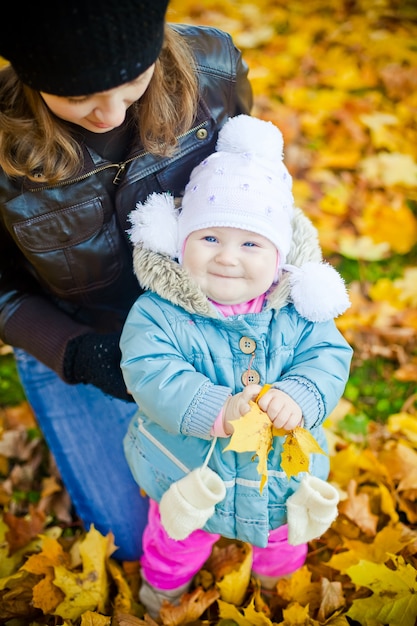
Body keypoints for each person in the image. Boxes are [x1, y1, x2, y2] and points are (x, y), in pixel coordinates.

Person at [0, 1, 253, 562]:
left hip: (200, 322)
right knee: (134, 535)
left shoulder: (213, 69)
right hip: (82, 334)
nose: (111, 114)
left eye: (132, 81)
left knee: (254, 501)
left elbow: (251, 183)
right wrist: (76, 354)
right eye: (78, 96)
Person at [120, 114, 354, 618]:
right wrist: (214, 407)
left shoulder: (297, 310)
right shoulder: (159, 312)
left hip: (279, 475)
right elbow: (150, 369)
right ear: (180, 242)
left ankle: (278, 588)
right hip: (189, 470)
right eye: (209, 238)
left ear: (279, 257)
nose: (227, 257)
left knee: (284, 536)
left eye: (250, 243)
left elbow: (328, 357)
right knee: (176, 538)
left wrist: (302, 395)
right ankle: (161, 594)